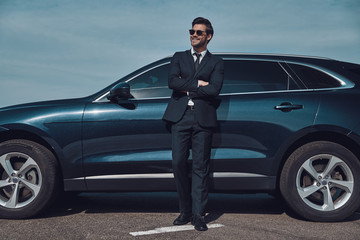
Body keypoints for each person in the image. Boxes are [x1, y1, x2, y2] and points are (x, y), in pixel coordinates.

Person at [162, 17, 224, 231]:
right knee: (178, 163)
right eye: (192, 31)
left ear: (208, 36)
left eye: (199, 32)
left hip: (203, 119)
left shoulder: (217, 62)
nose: (194, 35)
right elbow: (172, 82)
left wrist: (185, 86)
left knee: (200, 167)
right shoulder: (178, 57)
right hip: (180, 118)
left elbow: (214, 89)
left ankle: (198, 214)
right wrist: (198, 83)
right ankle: (184, 210)